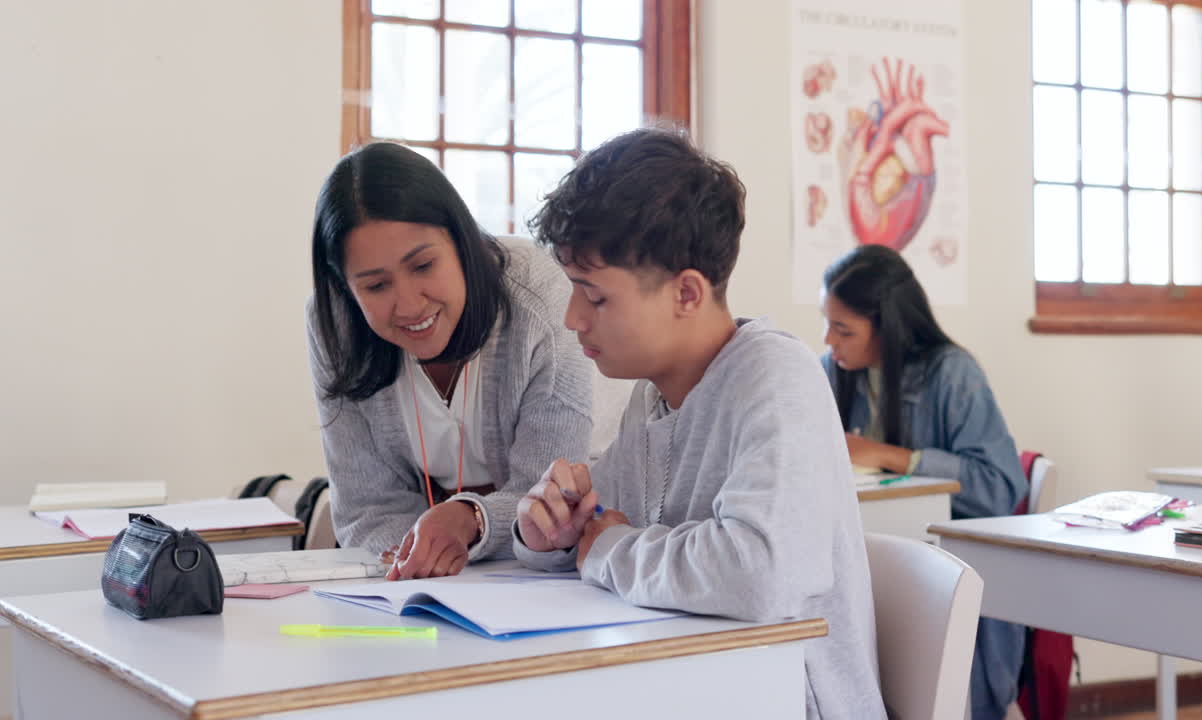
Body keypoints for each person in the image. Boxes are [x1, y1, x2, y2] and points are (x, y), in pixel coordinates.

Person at [512, 127, 887, 720]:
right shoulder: (653, 395)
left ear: (687, 292)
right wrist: (549, 533)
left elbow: (762, 572)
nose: (572, 318)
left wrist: (606, 548)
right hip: (694, 687)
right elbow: (599, 530)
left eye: (596, 296)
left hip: (792, 701)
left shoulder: (774, 375)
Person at [307, 142, 593, 579]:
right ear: (346, 289)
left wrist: (468, 521)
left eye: (423, 266)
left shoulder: (536, 293)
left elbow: (550, 502)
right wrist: (424, 554)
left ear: (462, 241)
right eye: (375, 286)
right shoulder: (336, 326)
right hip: (443, 586)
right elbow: (366, 510)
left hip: (565, 565)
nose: (407, 305)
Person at [818, 243, 1028, 720]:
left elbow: (1000, 487)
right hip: (863, 565)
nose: (829, 340)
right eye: (827, 323)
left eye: (843, 328)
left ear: (887, 327)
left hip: (942, 571)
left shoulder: (951, 373)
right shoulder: (831, 371)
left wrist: (892, 457)